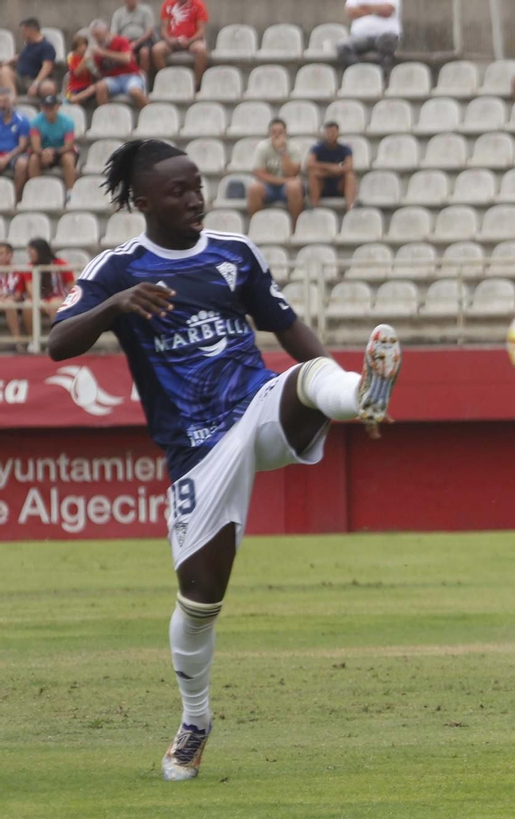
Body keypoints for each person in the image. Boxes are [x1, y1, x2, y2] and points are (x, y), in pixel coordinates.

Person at [47, 139, 402, 782]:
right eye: (179, 191)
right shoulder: (117, 269)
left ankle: (360, 394)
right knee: (201, 600)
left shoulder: (234, 253)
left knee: (314, 374)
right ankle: (195, 720)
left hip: (255, 405)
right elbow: (55, 345)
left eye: (198, 186)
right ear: (144, 201)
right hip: (195, 447)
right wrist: (116, 307)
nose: (195, 199)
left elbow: (288, 327)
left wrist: (342, 400)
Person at [247, 118, 303, 222]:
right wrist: (284, 180)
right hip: (268, 186)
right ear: (269, 133)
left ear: (285, 133)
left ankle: (295, 226)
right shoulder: (262, 148)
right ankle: (256, 225)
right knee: (254, 188)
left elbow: (292, 173)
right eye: (273, 132)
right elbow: (259, 174)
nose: (277, 135)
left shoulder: (294, 148)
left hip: (286, 188)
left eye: (280, 132)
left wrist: (282, 152)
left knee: (294, 187)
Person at [87, 19, 151, 106]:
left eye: (98, 35)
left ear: (106, 32)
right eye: (94, 36)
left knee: (134, 91)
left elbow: (126, 58)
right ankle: (106, 116)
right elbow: (99, 73)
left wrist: (104, 53)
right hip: (113, 78)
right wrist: (89, 63)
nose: (96, 38)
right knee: (100, 87)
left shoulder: (120, 41)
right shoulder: (96, 50)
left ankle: (150, 110)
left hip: (130, 75)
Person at [336, 0, 401, 76]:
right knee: (342, 47)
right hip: (360, 37)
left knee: (388, 42)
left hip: (386, 36)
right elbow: (350, 11)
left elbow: (387, 10)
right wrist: (376, 10)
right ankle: (363, 73)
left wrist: (364, 9)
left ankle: (382, 76)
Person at [27, 90, 77, 189]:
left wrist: (54, 152)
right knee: (33, 160)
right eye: (46, 107)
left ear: (57, 107)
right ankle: (35, 190)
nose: (49, 110)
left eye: (51, 107)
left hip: (61, 152)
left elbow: (68, 145)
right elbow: (35, 146)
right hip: (43, 153)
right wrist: (44, 153)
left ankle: (71, 191)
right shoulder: (35, 122)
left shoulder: (68, 122)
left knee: (68, 159)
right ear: (41, 108)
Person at [152, 0, 209, 85]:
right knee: (156, 50)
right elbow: (164, 31)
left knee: (202, 50)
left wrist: (189, 41)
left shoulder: (198, 4)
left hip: (192, 41)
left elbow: (201, 31)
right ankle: (167, 81)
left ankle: (196, 84)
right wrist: (170, 40)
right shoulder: (168, 4)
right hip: (172, 41)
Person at [305, 120, 355, 211]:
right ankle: (314, 207)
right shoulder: (317, 148)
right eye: (328, 132)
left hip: (339, 184)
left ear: (338, 133)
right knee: (313, 174)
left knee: (350, 176)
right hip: (323, 184)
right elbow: (309, 164)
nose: (330, 135)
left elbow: (349, 166)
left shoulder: (345, 149)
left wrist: (335, 170)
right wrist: (331, 168)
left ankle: (350, 207)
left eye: (333, 132)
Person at [1, 18, 56, 96]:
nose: (22, 33)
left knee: (48, 88)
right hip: (21, 79)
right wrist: (9, 61)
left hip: (35, 79)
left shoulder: (46, 47)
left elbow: (47, 67)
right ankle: (11, 99)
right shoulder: (28, 45)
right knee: (5, 71)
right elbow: (24, 56)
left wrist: (36, 84)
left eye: (24, 30)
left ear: (31, 30)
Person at [26, 237, 76, 316]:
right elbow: (30, 288)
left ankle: (56, 328)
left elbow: (71, 286)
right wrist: (38, 301)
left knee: (54, 304)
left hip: (60, 297)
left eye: (32, 250)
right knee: (27, 305)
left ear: (41, 251)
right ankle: (30, 329)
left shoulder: (60, 264)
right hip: (40, 298)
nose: (29, 254)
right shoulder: (30, 267)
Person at [110, 0, 160, 78]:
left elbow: (149, 31)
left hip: (143, 40)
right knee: (125, 53)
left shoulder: (146, 10)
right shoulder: (118, 14)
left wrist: (136, 43)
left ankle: (143, 79)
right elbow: (113, 33)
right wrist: (123, 43)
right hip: (125, 41)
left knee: (144, 53)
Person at [0, 241, 27, 346]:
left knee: (10, 304)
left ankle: (17, 341)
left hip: (12, 302)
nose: (0, 257)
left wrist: (8, 298)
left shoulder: (18, 271)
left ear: (10, 255)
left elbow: (18, 295)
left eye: (2, 254)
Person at [64, 34, 99, 106]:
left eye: (85, 45)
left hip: (87, 86)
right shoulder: (71, 58)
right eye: (81, 46)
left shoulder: (89, 59)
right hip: (75, 87)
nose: (84, 48)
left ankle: (76, 98)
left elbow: (96, 73)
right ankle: (75, 99)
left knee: (94, 87)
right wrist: (84, 61)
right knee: (75, 103)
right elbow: (76, 73)